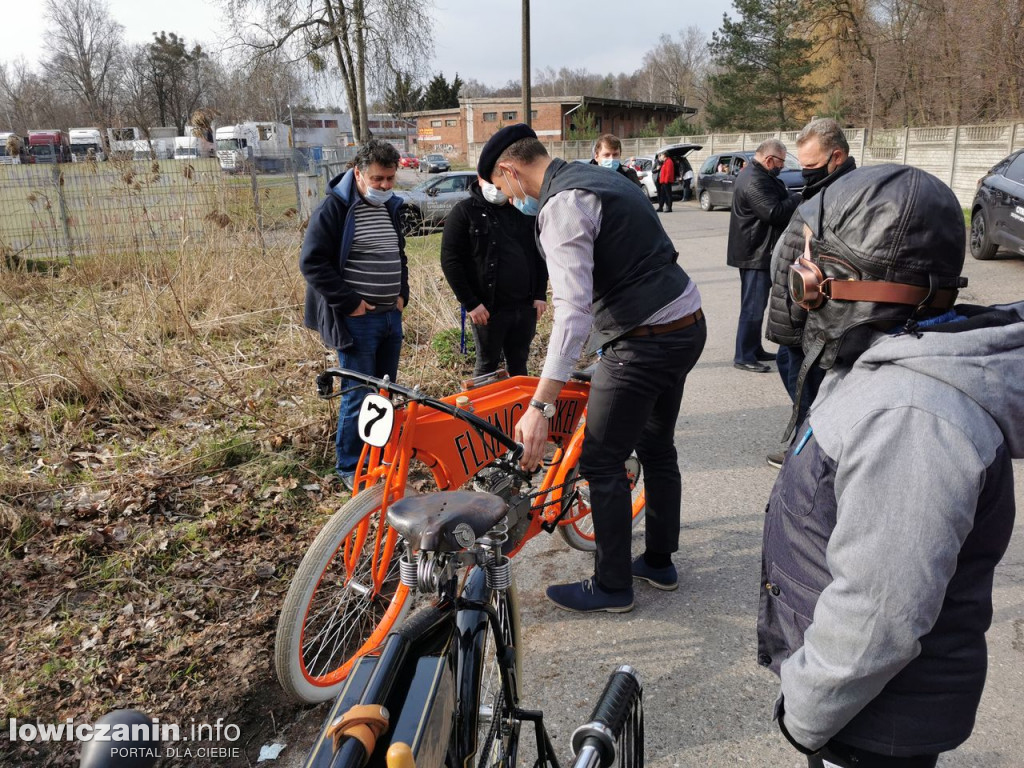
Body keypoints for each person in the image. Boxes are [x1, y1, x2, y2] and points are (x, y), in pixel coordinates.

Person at [758, 163, 1020, 768]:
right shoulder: (879, 359)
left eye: (810, 264)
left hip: (875, 716)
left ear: (853, 280)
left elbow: (880, 613)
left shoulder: (910, 416)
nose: (798, 277)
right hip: (863, 700)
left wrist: (807, 711)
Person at [478, 124, 706, 613]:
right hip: (686, 322)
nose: (507, 197)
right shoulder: (596, 176)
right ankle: (660, 562)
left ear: (509, 170)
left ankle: (612, 585)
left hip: (643, 340)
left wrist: (541, 403)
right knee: (657, 446)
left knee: (602, 460)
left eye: (502, 187)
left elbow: (573, 313)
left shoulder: (561, 208)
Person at [299, 140, 409, 492]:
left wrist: (402, 293)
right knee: (358, 393)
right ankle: (350, 466)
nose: (386, 186)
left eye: (391, 178)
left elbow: (399, 254)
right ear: (358, 172)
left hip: (390, 317)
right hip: (357, 320)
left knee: (383, 392)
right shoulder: (336, 209)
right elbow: (312, 262)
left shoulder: (390, 207)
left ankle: (375, 459)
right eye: (378, 179)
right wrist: (349, 303)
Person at [764, 117, 857, 467]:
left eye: (812, 166)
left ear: (836, 157)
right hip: (795, 315)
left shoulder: (848, 194)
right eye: (801, 167)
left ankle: (812, 461)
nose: (805, 174)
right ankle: (810, 448)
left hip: (814, 319)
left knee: (813, 391)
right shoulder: (820, 188)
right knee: (794, 376)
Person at [440, 176, 548, 376]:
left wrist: (540, 294)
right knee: (486, 366)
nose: (497, 187)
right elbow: (450, 261)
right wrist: (470, 303)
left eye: (500, 180)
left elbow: (540, 254)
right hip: (487, 310)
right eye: (490, 180)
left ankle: (519, 405)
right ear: (480, 179)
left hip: (524, 307)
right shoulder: (464, 212)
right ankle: (479, 407)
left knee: (519, 363)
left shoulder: (523, 210)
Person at [727, 138, 799, 372]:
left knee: (755, 305)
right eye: (781, 161)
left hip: (758, 249)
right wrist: (798, 199)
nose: (783, 166)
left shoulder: (760, 175)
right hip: (755, 253)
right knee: (753, 306)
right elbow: (772, 212)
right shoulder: (754, 179)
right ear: (769, 160)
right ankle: (744, 356)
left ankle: (753, 348)